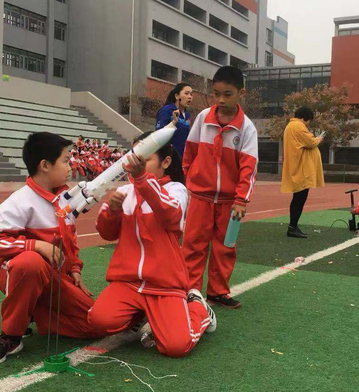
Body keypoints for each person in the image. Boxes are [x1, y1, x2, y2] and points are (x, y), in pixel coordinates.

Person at [89, 129, 217, 358]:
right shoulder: (124, 192)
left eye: (145, 159)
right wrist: (113, 212)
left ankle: (199, 308)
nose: (136, 164)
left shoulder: (176, 190)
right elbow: (106, 233)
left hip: (164, 284)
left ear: (166, 162)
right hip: (128, 283)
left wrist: (141, 180)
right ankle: (141, 315)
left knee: (176, 346)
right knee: (99, 321)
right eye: (134, 157)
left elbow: (171, 216)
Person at [0, 132, 99, 366]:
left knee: (96, 322)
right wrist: (34, 244)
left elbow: (70, 241)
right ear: (44, 165)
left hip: (53, 279)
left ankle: (33, 312)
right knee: (30, 262)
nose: (69, 166)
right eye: (65, 160)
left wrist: (74, 269)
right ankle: (11, 336)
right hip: (18, 272)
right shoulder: (19, 201)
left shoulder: (64, 200)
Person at [181, 66, 259, 309]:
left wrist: (241, 200)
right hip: (200, 197)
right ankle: (190, 290)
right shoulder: (204, 118)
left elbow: (249, 168)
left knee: (225, 247)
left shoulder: (247, 128)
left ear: (241, 93)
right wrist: (190, 181)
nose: (221, 100)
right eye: (216, 94)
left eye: (227, 94)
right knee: (193, 244)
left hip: (229, 203)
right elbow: (189, 152)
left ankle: (218, 291)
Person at [281, 106, 325, 239]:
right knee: (299, 199)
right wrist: (319, 139)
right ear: (304, 118)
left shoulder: (291, 126)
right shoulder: (298, 126)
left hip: (298, 167)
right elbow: (311, 142)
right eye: (308, 121)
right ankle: (292, 227)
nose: (308, 124)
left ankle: (293, 226)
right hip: (301, 168)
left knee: (298, 199)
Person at [155, 82, 193, 157]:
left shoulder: (187, 115)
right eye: (186, 93)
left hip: (182, 158)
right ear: (176, 96)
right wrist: (173, 123)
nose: (190, 97)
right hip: (168, 157)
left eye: (191, 94)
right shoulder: (166, 111)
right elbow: (159, 134)